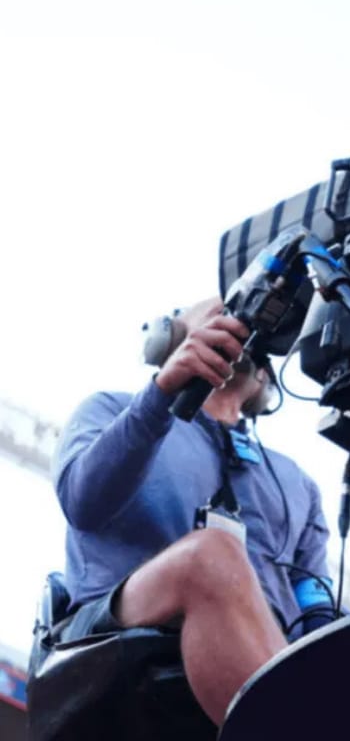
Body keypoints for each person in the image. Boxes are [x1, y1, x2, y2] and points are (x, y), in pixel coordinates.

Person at [51, 297, 335, 728]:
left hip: (264, 670)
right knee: (209, 557)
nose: (241, 330)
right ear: (170, 337)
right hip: (114, 645)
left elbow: (316, 610)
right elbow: (82, 503)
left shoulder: (298, 484)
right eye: (225, 313)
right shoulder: (113, 409)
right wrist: (162, 393)